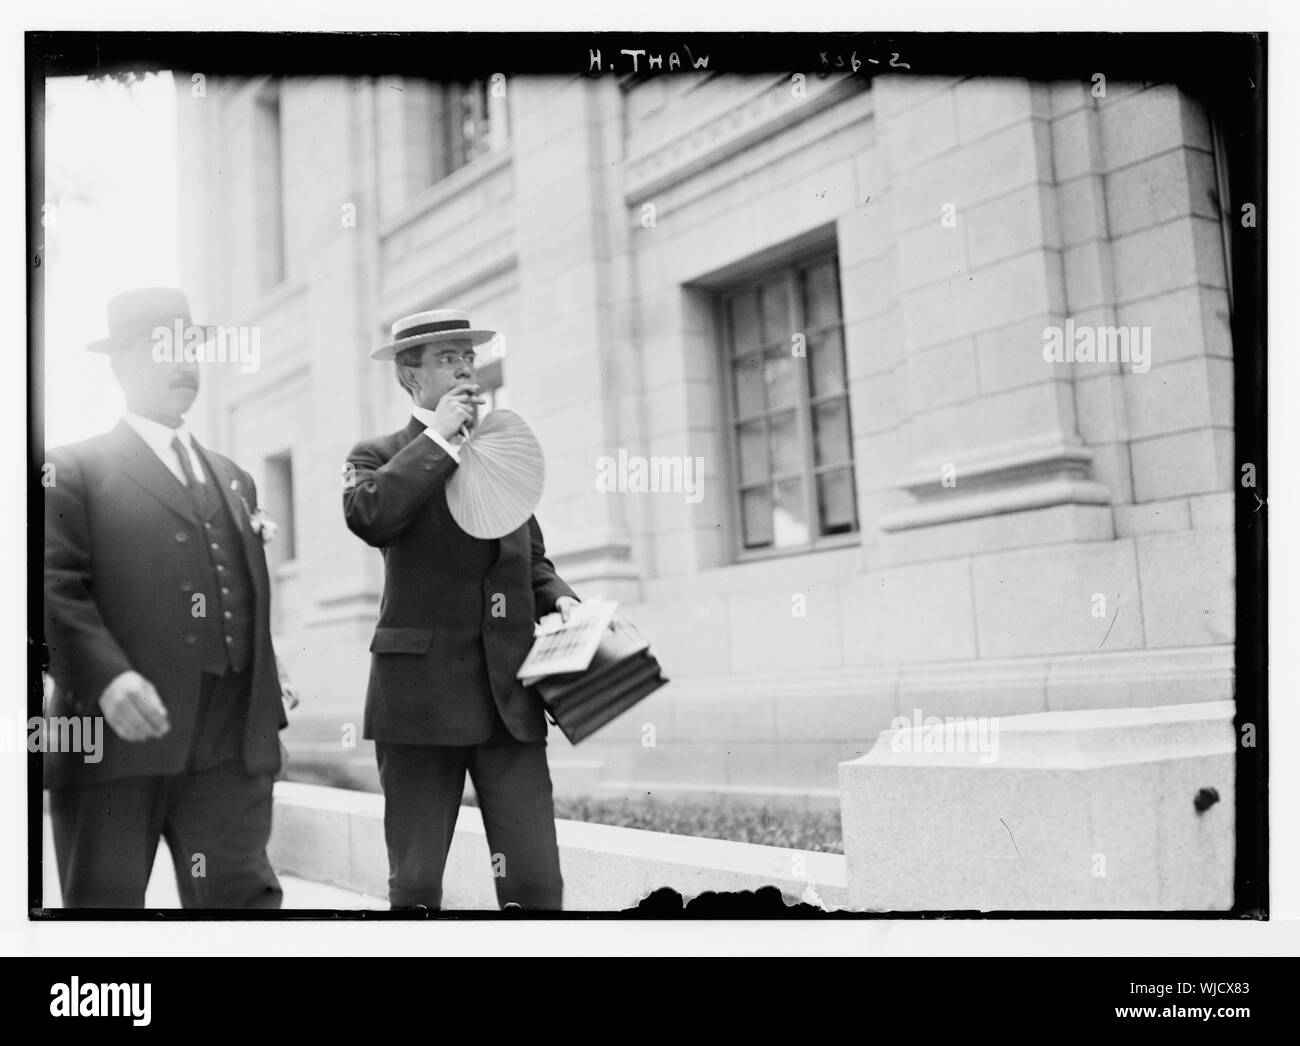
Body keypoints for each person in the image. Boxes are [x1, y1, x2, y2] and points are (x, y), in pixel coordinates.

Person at [43, 287, 288, 908]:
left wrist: (267, 673)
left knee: (246, 912)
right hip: (117, 744)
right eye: (161, 349)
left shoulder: (235, 478)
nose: (182, 364)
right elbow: (50, 586)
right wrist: (108, 678)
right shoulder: (72, 470)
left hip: (231, 742)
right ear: (120, 365)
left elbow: (243, 593)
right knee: (105, 917)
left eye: (190, 348)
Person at [343, 309, 578, 911]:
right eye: (448, 358)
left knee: (535, 885)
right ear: (409, 375)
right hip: (419, 703)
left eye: (469, 357)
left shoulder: (501, 453)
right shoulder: (378, 454)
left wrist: (566, 603)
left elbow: (531, 561)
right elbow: (370, 517)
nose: (467, 369)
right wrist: (439, 441)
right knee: (417, 889)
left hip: (510, 701)